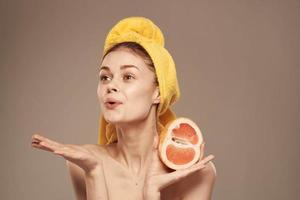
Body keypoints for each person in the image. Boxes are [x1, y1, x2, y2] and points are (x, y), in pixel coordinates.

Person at [31, 16, 217, 200]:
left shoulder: (195, 174)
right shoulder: (82, 163)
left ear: (158, 92)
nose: (110, 86)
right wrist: (95, 172)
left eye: (128, 76)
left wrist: (152, 193)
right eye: (105, 77)